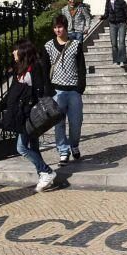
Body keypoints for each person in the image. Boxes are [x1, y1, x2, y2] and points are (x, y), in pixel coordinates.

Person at [0, 39, 57, 192]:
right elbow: (11, 95)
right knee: (34, 147)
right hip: (23, 115)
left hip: (31, 116)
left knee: (21, 147)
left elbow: (40, 90)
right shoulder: (20, 70)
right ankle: (43, 175)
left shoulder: (34, 67)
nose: (13, 52)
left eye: (15, 49)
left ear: (23, 51)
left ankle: (47, 171)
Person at [44, 14, 87, 165]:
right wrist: (48, 90)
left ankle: (74, 145)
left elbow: (82, 67)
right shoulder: (48, 46)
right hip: (57, 91)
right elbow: (45, 69)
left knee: (76, 123)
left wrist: (80, 87)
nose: (57, 30)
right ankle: (63, 150)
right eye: (55, 27)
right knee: (58, 124)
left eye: (60, 27)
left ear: (66, 27)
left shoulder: (76, 44)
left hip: (74, 91)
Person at [101, 0, 127, 66]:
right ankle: (116, 59)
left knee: (121, 42)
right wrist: (102, 17)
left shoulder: (121, 1)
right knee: (114, 44)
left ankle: (122, 60)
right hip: (112, 24)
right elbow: (106, 14)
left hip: (122, 24)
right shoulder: (108, 3)